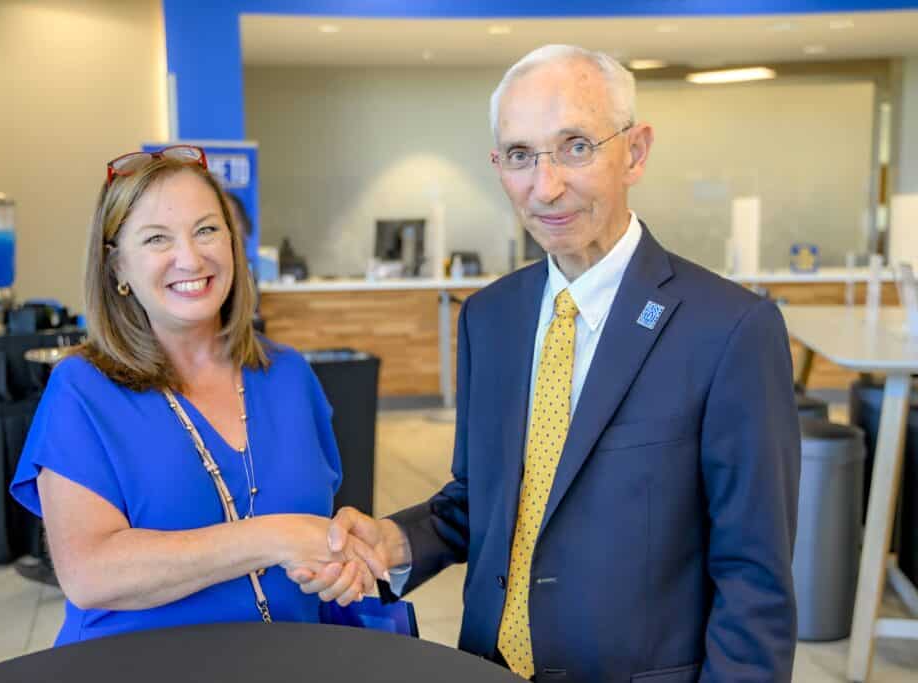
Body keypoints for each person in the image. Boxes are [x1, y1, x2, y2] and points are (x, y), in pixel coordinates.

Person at [292, 46, 801, 682]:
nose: (546, 185)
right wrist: (396, 543)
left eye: (577, 146)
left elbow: (754, 581)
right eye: (521, 155)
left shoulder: (729, 330)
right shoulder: (491, 318)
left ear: (635, 152)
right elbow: (483, 500)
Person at [10, 145, 385, 646]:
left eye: (206, 229)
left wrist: (335, 564)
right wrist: (274, 538)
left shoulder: (289, 375)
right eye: (156, 238)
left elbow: (313, 533)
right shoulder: (83, 388)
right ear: (117, 268)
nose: (189, 257)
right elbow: (90, 574)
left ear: (233, 244)